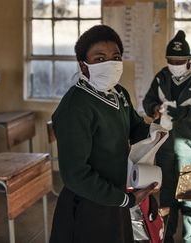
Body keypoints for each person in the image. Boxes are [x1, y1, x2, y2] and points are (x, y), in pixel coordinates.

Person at [49, 25, 159, 243]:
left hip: (114, 197)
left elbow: (134, 128)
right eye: (100, 59)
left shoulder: (118, 93)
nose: (110, 64)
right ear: (84, 65)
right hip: (88, 204)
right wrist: (124, 200)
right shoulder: (76, 106)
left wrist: (157, 127)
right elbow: (75, 174)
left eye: (116, 57)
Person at [143, 30, 191, 243]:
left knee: (190, 196)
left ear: (189, 60)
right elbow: (147, 101)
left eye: (179, 61)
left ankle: (190, 240)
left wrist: (183, 113)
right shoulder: (162, 77)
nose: (174, 64)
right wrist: (154, 108)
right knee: (167, 194)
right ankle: (167, 237)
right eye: (171, 60)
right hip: (166, 145)